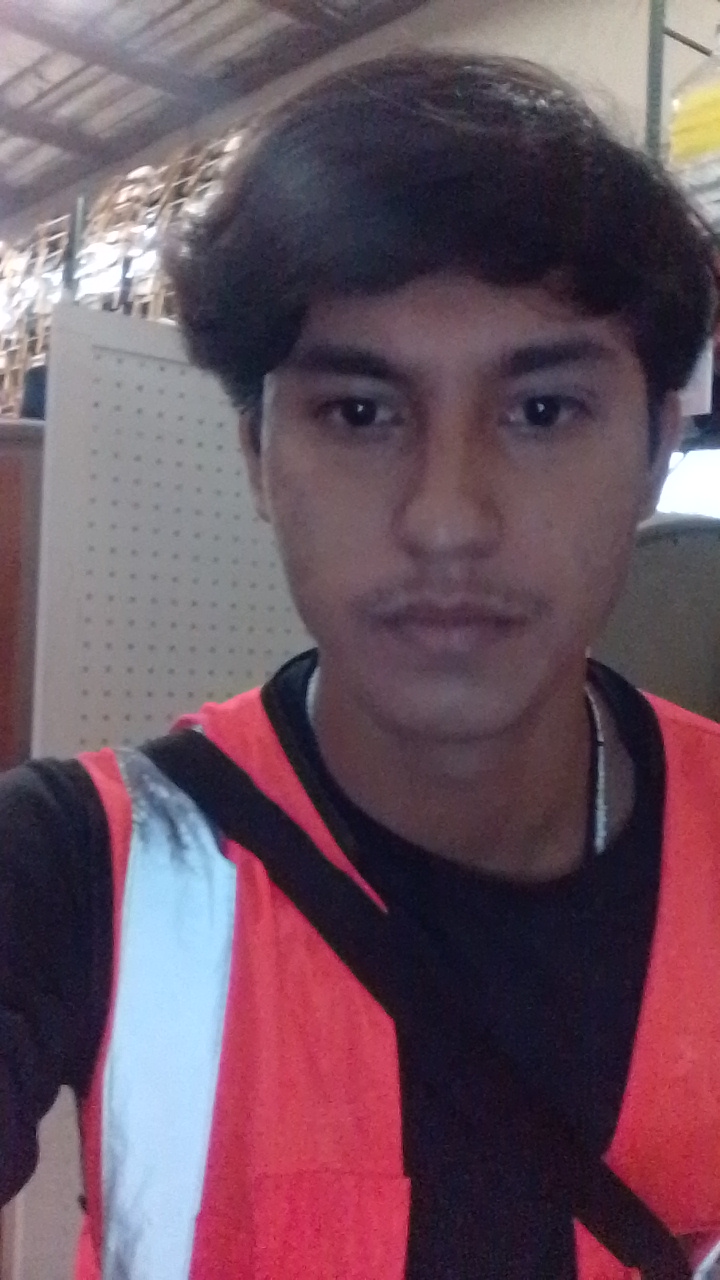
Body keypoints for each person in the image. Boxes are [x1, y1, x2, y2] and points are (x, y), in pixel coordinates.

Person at [1, 50, 719, 1280]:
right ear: (255, 452)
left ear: (659, 444)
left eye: (542, 411)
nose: (447, 520)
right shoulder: (80, 866)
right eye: (361, 412)